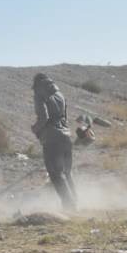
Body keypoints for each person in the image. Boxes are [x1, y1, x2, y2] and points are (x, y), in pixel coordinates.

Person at [32, 73, 76, 210]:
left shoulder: (39, 94)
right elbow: (65, 118)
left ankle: (69, 206)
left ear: (37, 84)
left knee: (56, 175)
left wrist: (35, 129)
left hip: (52, 139)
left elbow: (43, 117)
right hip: (66, 136)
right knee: (67, 172)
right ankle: (75, 201)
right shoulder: (60, 94)